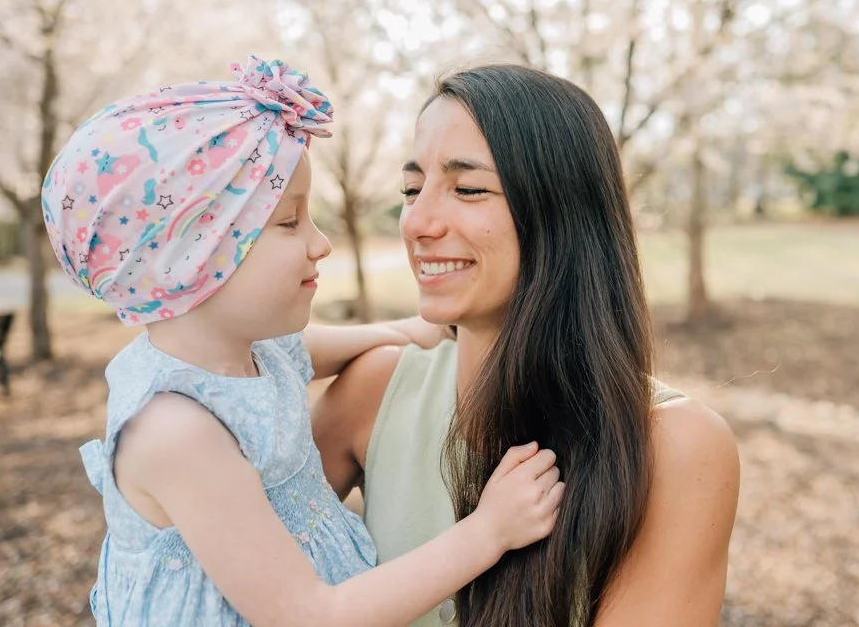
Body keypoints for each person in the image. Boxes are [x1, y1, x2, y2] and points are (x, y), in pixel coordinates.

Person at [40, 56, 565, 627]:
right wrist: (488, 532)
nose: (321, 244)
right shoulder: (176, 434)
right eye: (289, 223)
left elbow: (310, 348)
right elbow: (314, 615)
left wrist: (403, 332)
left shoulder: (245, 355)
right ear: (193, 259)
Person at [313, 64, 741, 627]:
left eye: (468, 189)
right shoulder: (376, 390)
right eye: (412, 190)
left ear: (564, 214)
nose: (416, 222)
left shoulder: (675, 446)